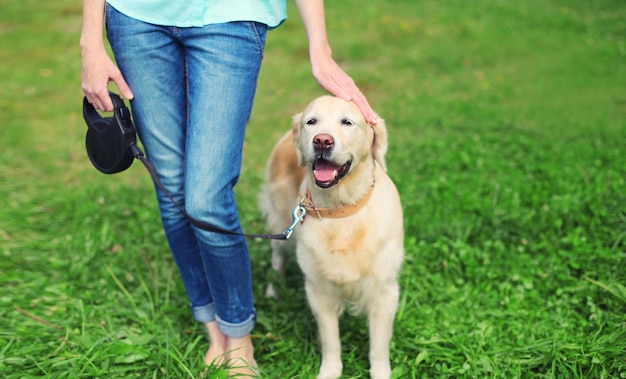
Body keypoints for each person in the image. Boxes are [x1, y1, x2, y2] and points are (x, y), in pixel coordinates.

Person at [80, 0, 377, 376]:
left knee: (205, 199)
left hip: (230, 17)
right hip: (136, 18)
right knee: (171, 190)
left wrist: (319, 48)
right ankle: (211, 325)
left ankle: (238, 334)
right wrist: (90, 41)